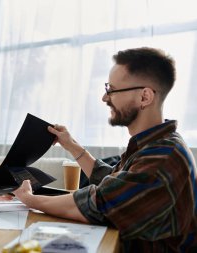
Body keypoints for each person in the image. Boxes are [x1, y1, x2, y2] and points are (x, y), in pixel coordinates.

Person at [13, 47, 197, 252]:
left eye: (112, 90)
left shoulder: (163, 158)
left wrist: (29, 199)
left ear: (145, 97)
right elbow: (112, 180)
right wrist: (71, 145)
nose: (104, 97)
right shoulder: (151, 144)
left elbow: (99, 202)